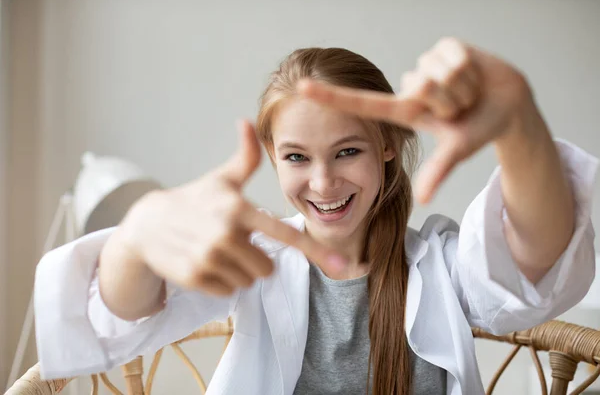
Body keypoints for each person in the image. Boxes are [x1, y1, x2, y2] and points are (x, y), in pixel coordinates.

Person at [34, 37, 598, 395]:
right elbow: (121, 317)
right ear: (273, 158)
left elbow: (535, 264)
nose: (324, 183)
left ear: (387, 148)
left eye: (347, 151)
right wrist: (136, 240)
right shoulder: (254, 257)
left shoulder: (441, 267)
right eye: (297, 158)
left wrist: (520, 127)